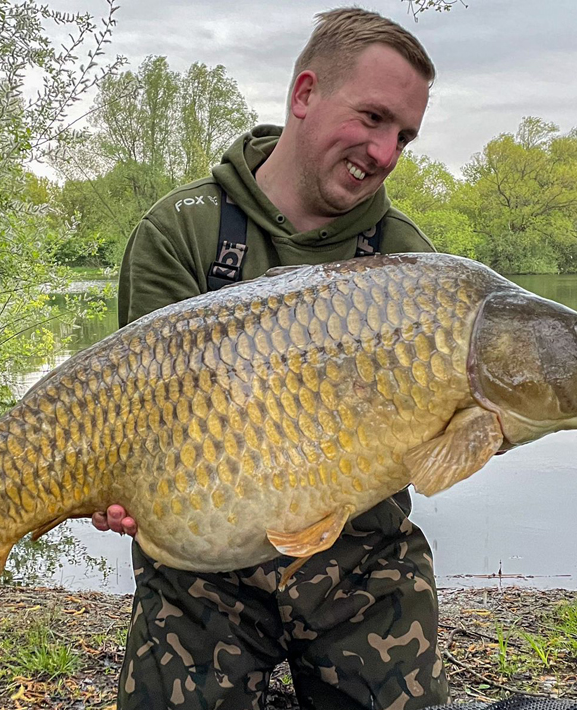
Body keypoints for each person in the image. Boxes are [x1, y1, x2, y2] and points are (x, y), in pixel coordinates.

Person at [94, 8, 446, 709]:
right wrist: (116, 479)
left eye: (403, 135)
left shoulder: (412, 264)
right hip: (208, 564)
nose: (385, 152)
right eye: (373, 118)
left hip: (359, 555)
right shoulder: (181, 230)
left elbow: (440, 445)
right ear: (305, 94)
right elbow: (129, 411)